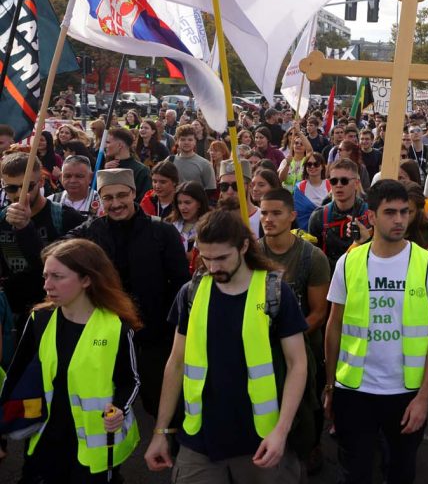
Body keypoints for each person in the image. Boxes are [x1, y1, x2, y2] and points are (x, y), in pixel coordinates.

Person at [144, 209, 309, 482]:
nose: (213, 267)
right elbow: (176, 362)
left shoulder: (275, 292)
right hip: (199, 440)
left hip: (261, 439)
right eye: (206, 258)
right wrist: (161, 431)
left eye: (221, 258)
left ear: (243, 246)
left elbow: (297, 363)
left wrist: (281, 430)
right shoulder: (191, 293)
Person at [323, 180, 428, 484]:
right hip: (354, 391)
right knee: (354, 472)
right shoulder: (348, 263)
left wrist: (424, 397)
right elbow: (334, 325)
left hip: (405, 394)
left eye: (404, 212)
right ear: (371, 217)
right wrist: (330, 386)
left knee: (401, 471)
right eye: (390, 212)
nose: (399, 220)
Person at [11, 239, 142, 483]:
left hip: (95, 448)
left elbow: (131, 380)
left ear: (86, 280)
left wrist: (119, 409)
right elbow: (16, 376)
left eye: (57, 277)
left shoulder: (116, 328)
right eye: (45, 276)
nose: (47, 285)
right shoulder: (39, 320)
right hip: (45, 440)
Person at [68, 168, 191, 417]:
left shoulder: (162, 232)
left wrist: (175, 329)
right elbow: (57, 253)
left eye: (122, 195)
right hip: (108, 335)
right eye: (108, 198)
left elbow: (181, 285)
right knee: (110, 404)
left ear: (134, 193)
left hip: (154, 335)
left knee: (160, 403)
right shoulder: (91, 232)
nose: (116, 204)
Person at [259, 188, 332, 474]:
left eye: (276, 213)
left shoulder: (312, 258)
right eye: (264, 213)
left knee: (307, 410)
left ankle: (310, 450)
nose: (268, 219)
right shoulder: (251, 254)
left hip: (304, 351)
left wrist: (287, 340)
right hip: (261, 353)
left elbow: (319, 312)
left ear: (292, 216)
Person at [1, 153, 86, 318]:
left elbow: (57, 266)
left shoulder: (66, 217)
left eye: (27, 186)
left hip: (54, 311)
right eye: (11, 188)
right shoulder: (2, 219)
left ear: (41, 182)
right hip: (11, 313)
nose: (19, 194)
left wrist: (25, 228)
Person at [308, 158, 370, 269]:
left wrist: (367, 240)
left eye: (344, 181)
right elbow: (312, 260)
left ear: (356, 183)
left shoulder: (370, 216)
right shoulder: (318, 217)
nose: (339, 185)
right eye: (334, 181)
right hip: (329, 276)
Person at [168, 181, 211, 271]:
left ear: (199, 203)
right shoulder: (169, 223)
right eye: (179, 203)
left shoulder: (210, 226)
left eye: (187, 203)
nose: (182, 207)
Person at [218, 159, 263, 237]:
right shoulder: (214, 221)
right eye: (224, 186)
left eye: (236, 185)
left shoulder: (263, 219)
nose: (229, 191)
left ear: (250, 186)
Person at [48, 154, 103, 219]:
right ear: (62, 177)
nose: (73, 181)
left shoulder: (102, 203)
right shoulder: (51, 202)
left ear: (90, 178)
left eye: (79, 176)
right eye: (67, 176)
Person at [103, 128, 152, 197]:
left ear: (120, 145)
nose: (105, 146)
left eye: (108, 142)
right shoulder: (107, 166)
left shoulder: (141, 171)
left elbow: (144, 198)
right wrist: (104, 173)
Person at [169, 124, 217, 191]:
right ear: (177, 141)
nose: (186, 142)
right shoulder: (169, 161)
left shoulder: (205, 164)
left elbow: (211, 189)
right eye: (183, 139)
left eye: (190, 140)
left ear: (195, 141)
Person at [292, 152, 332, 231]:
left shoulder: (330, 185)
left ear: (322, 166)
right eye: (309, 164)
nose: (312, 167)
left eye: (316, 164)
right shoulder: (299, 187)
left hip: (327, 231)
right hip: (304, 232)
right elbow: (297, 213)